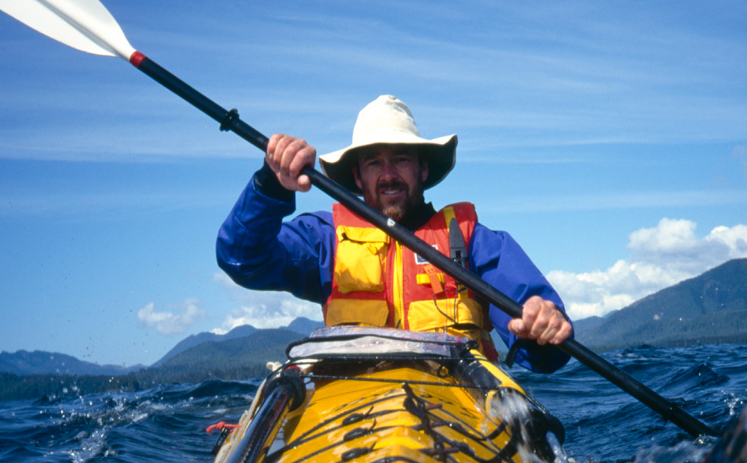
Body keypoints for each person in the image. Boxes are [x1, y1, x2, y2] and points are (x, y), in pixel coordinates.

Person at [216, 95, 573, 372]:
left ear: (422, 169)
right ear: (357, 178)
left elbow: (547, 356)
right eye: (373, 163)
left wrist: (544, 325)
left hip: (459, 419)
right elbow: (242, 259)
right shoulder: (324, 239)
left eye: (401, 159)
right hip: (356, 421)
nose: (388, 174)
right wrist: (271, 186)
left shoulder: (472, 242)